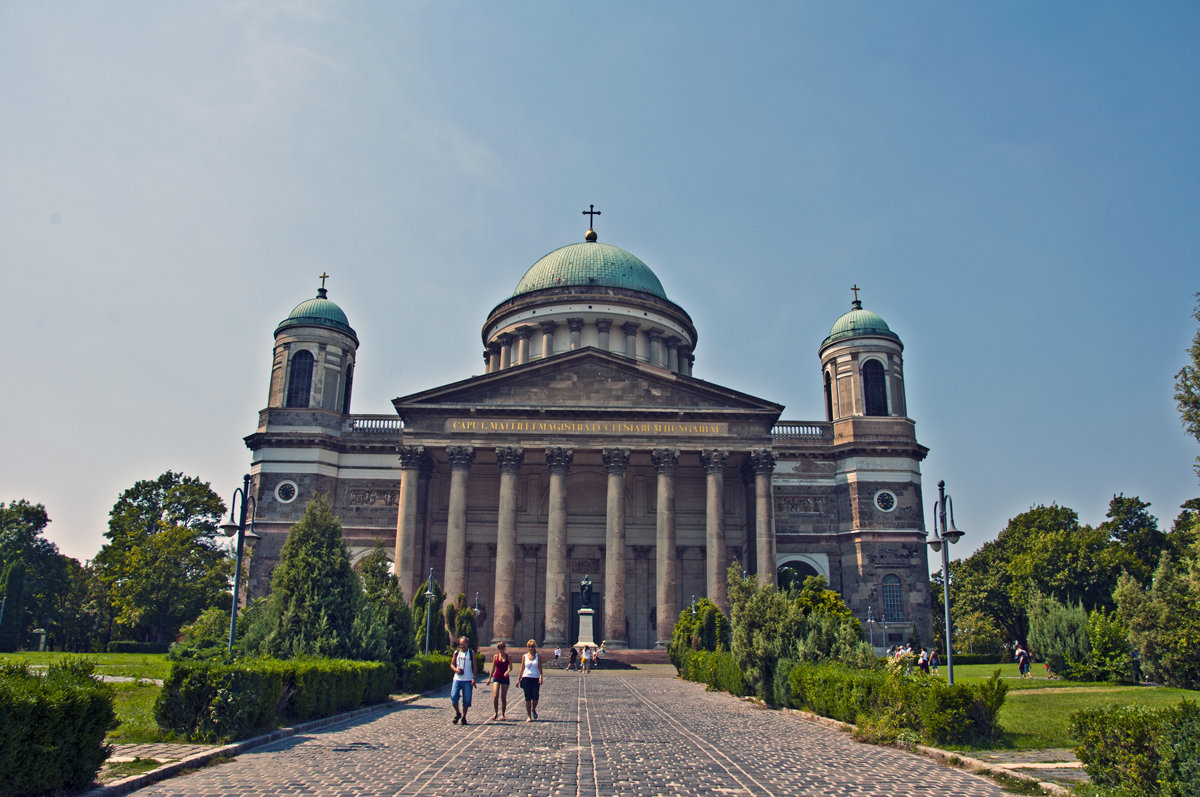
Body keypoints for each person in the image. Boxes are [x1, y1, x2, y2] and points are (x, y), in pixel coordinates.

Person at [450, 636, 477, 725]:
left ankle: (464, 717)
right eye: (461, 644)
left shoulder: (471, 653)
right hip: (457, 678)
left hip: (468, 679)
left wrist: (474, 677)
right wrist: (456, 670)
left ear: (468, 644)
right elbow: (452, 664)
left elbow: (475, 666)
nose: (463, 646)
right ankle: (458, 713)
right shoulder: (456, 653)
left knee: (466, 699)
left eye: (464, 644)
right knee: (454, 696)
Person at [519, 640, 544, 721]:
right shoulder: (524, 656)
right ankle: (529, 716)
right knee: (528, 698)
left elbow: (540, 667)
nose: (530, 648)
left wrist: (541, 677)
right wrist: (518, 679)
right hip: (526, 677)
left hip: (535, 678)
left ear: (535, 647)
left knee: (536, 697)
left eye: (532, 646)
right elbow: (522, 668)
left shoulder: (538, 656)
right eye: (529, 646)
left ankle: (533, 709)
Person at [486, 641, 511, 721]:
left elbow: (510, 667)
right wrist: (489, 678)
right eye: (499, 648)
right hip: (497, 677)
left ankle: (503, 714)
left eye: (502, 647)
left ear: (505, 648)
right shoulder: (495, 656)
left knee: (503, 697)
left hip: (505, 678)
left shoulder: (508, 657)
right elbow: (493, 667)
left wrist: (507, 672)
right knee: (495, 695)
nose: (501, 649)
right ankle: (495, 713)